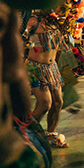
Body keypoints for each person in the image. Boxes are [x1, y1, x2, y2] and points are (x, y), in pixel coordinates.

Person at [24, 10, 69, 148]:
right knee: (45, 103)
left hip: (52, 68)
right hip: (35, 68)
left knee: (58, 102)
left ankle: (51, 135)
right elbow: (19, 40)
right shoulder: (33, 22)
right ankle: (26, 136)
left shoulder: (57, 22)